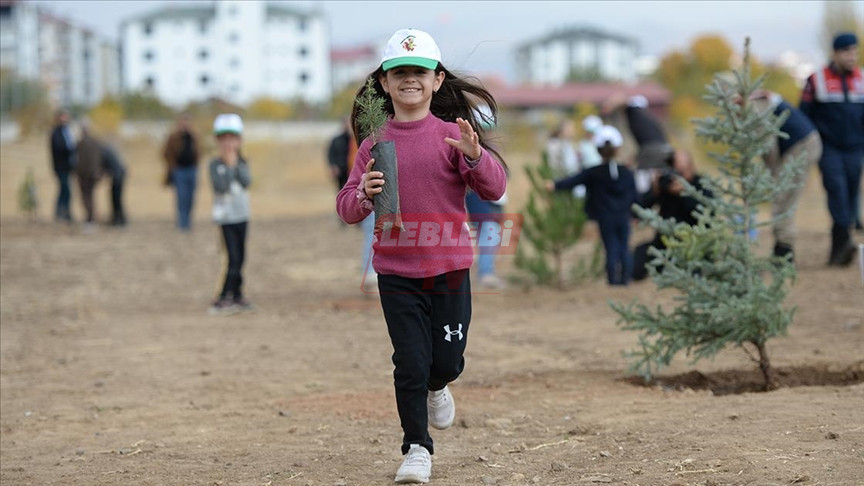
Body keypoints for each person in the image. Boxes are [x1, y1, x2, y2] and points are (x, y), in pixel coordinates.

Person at [335, 28, 507, 484]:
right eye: (399, 72)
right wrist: (366, 196)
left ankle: (439, 385)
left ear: (436, 80)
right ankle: (416, 448)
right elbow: (347, 206)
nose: (409, 79)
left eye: (419, 71)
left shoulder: (454, 136)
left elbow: (495, 188)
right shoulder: (374, 143)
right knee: (409, 361)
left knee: (446, 362)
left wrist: (475, 157)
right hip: (396, 271)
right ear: (386, 84)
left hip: (449, 268)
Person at [799, 32, 863, 267]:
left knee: (851, 192)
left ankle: (839, 249)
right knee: (836, 189)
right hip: (829, 148)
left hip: (855, 148)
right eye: (847, 51)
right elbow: (804, 116)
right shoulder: (817, 80)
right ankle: (845, 238)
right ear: (835, 53)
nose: (852, 56)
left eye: (854, 51)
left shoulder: (861, 79)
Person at [547, 125, 638, 286]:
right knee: (624, 246)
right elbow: (635, 195)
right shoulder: (627, 172)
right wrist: (635, 214)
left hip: (605, 216)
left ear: (598, 150)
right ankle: (625, 280)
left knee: (611, 247)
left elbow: (573, 181)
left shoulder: (593, 172)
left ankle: (613, 281)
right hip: (624, 215)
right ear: (618, 148)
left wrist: (554, 185)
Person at [748, 90, 822, 262]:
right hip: (801, 144)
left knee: (783, 198)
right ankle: (781, 249)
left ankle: (784, 251)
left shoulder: (754, 105)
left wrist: (773, 173)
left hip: (800, 146)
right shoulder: (757, 99)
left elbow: (767, 143)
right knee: (782, 197)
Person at [631, 149, 713, 281]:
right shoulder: (665, 184)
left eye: (679, 169)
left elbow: (706, 213)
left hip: (693, 242)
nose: (675, 173)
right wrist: (655, 190)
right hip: (665, 242)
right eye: (672, 168)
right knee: (639, 257)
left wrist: (684, 193)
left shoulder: (702, 184)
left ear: (690, 166)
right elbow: (639, 208)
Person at [208, 114, 254, 315]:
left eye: (232, 138)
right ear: (218, 140)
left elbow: (246, 181)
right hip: (226, 217)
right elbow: (221, 186)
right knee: (232, 257)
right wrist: (228, 166)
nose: (228, 143)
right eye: (224, 138)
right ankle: (223, 295)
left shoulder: (242, 162)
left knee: (241, 256)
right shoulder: (215, 165)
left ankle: (237, 293)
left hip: (242, 216)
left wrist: (235, 164)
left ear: (239, 140)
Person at [602, 93, 673, 195]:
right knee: (660, 183)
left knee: (642, 185)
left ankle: (641, 203)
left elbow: (621, 99)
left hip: (652, 153)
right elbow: (647, 142)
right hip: (664, 151)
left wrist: (609, 105)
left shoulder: (633, 112)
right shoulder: (648, 119)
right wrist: (633, 159)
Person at [162, 113, 200, 231]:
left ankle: (188, 220)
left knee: (191, 197)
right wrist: (173, 166)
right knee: (181, 196)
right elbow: (166, 153)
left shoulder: (194, 137)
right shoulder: (173, 137)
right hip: (179, 170)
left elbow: (199, 151)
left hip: (192, 169)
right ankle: (182, 223)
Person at [74, 120, 103, 232]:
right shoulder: (96, 142)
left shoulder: (81, 143)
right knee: (91, 197)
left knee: (86, 198)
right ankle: (92, 219)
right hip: (95, 174)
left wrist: (78, 173)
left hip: (85, 175)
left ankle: (90, 221)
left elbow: (80, 162)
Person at [49, 108, 76, 223]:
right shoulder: (56, 133)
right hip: (61, 167)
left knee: (64, 190)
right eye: (63, 116)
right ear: (58, 118)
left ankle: (63, 213)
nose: (65, 119)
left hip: (68, 166)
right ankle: (62, 213)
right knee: (66, 190)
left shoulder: (67, 131)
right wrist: (71, 150)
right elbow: (59, 148)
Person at [101, 143, 127, 227]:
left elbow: (105, 166)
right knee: (117, 198)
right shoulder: (108, 151)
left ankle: (118, 219)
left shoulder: (104, 153)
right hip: (119, 175)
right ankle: (119, 218)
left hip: (117, 177)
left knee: (116, 198)